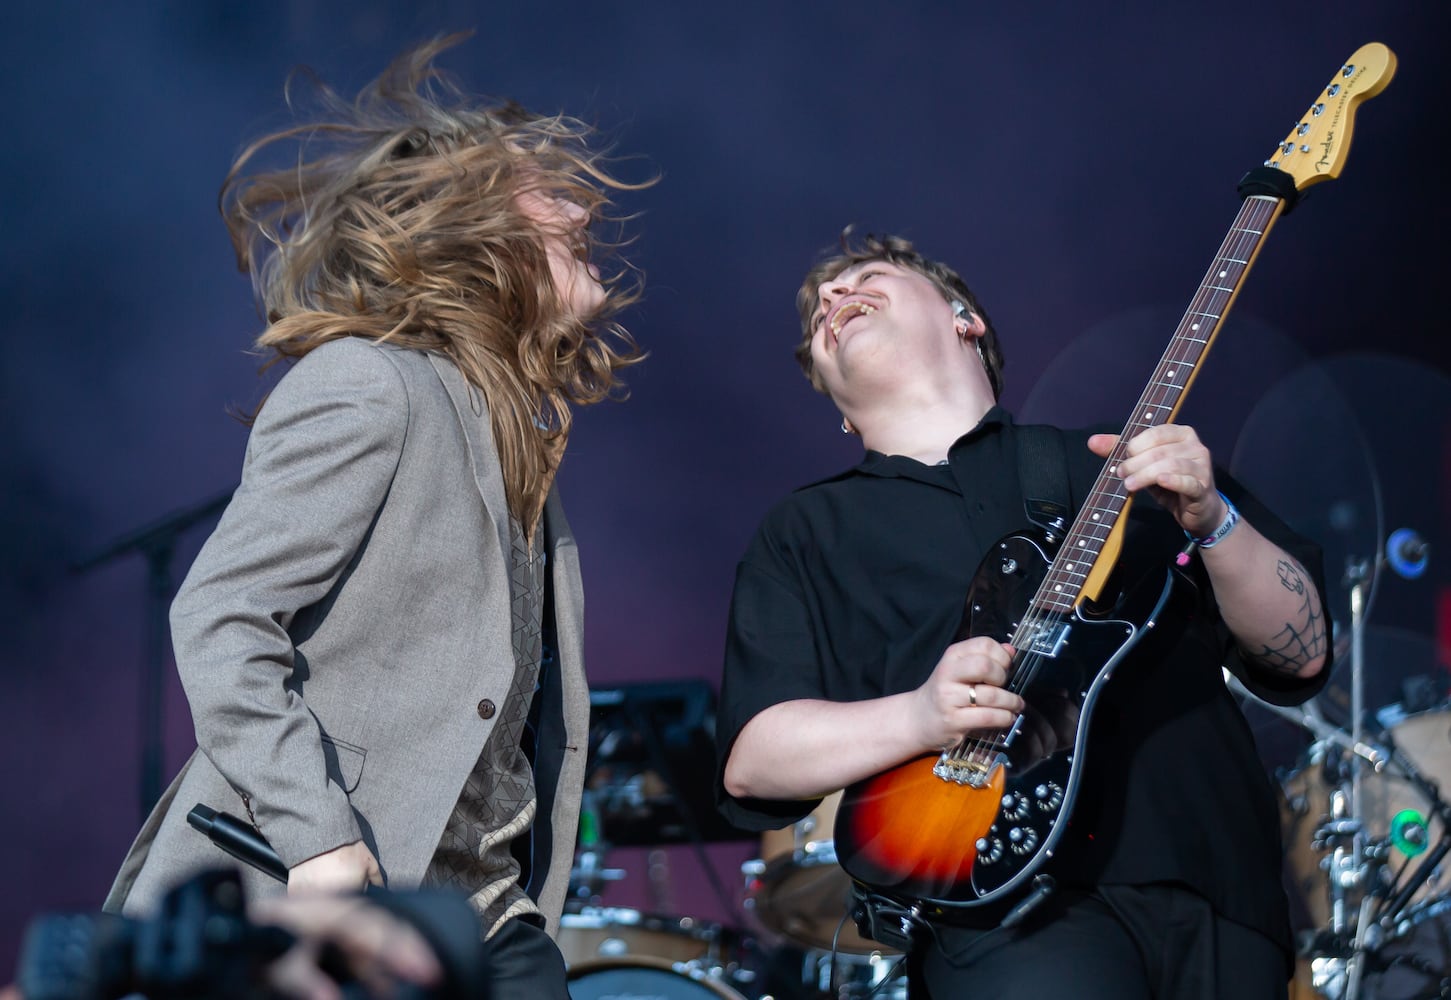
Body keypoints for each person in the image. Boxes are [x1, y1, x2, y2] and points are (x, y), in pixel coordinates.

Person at [104, 34, 648, 1000]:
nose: (580, 210)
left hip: (479, 913)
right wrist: (317, 842)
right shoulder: (371, 383)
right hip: (309, 906)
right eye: (546, 192)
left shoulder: (516, 443)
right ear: (475, 230)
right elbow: (222, 618)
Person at [716, 232, 1330, 998]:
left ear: (963, 317)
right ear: (835, 405)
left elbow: (1296, 654)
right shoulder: (806, 529)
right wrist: (918, 716)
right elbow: (753, 761)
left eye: (865, 279)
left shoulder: (1122, 463)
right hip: (995, 912)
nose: (834, 302)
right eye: (818, 314)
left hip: (1211, 885)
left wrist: (1213, 521)